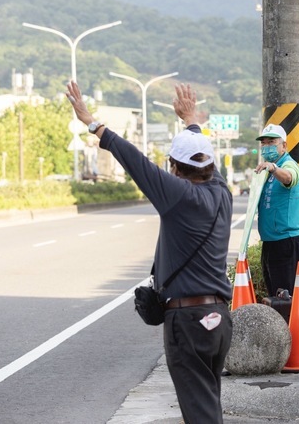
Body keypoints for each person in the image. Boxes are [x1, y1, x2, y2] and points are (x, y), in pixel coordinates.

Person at [65, 81, 232, 423]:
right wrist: (190, 122)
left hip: (188, 322)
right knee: (207, 403)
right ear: (212, 166)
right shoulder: (223, 193)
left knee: (200, 413)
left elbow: (134, 159)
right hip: (218, 318)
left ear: (173, 166)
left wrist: (91, 122)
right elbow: (200, 159)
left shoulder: (178, 196)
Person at [254, 123, 299, 298]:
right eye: (264, 143)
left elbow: (289, 177)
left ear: (284, 145)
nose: (267, 146)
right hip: (271, 243)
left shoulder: (289, 165)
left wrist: (273, 167)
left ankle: (290, 327)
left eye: (272, 142)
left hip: (288, 244)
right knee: (275, 297)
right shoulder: (268, 172)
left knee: (286, 300)